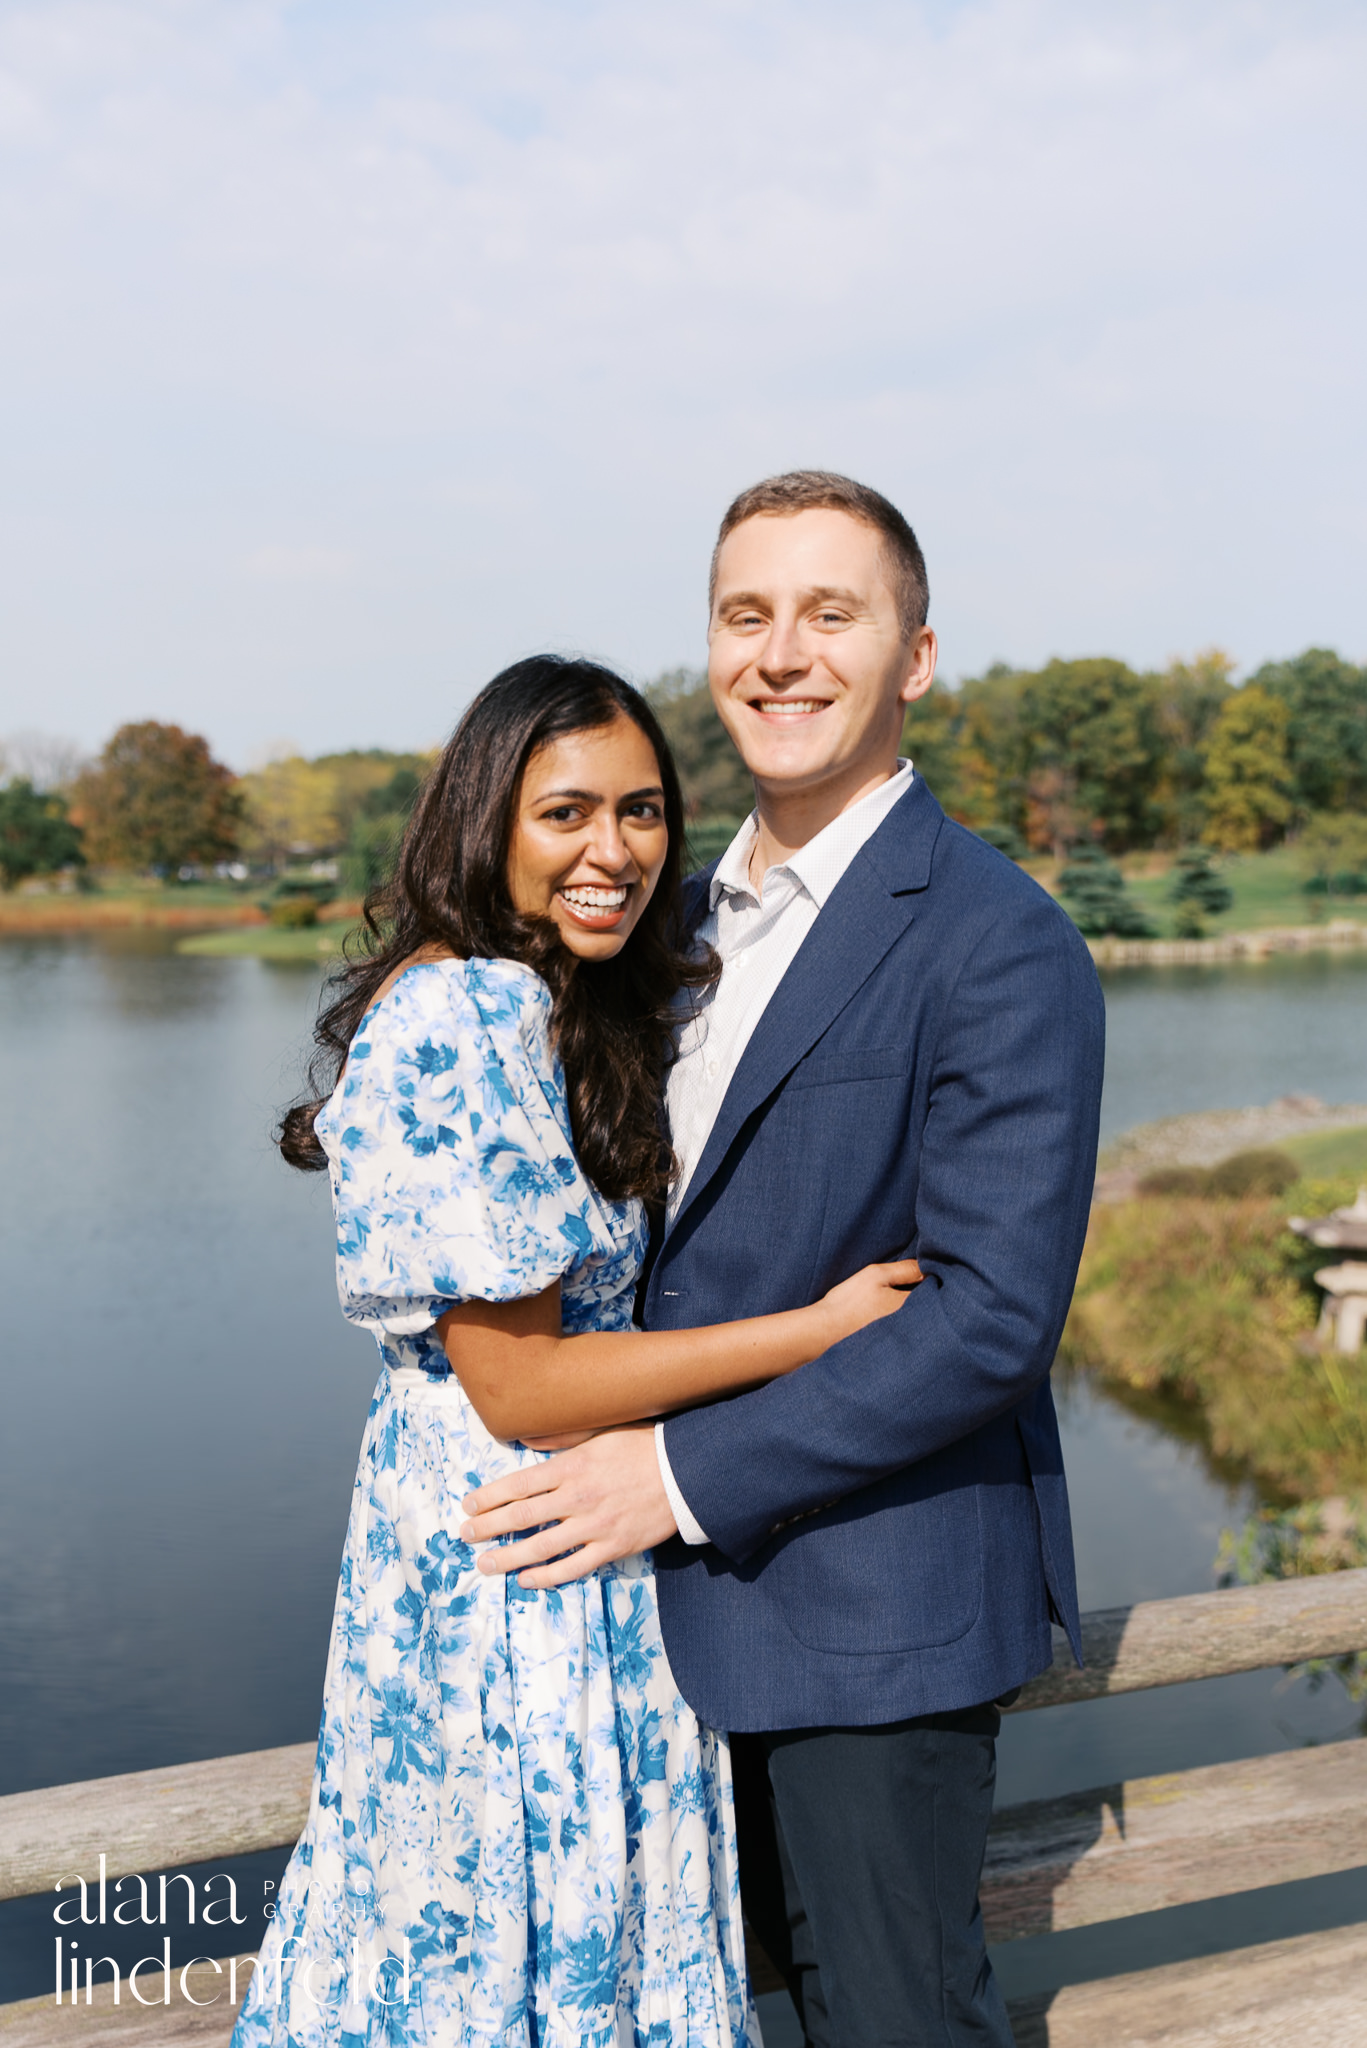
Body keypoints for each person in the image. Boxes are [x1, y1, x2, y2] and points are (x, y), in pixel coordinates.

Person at [460, 475, 1107, 2046]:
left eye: (833, 613)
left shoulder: (997, 937)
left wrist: (670, 1476)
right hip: (647, 1622)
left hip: (873, 1614)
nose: (782, 653)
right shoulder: (666, 923)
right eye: (747, 614)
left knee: (885, 2022)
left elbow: (988, 1320)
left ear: (918, 656)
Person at [230, 654, 921, 2048]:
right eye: (568, 814)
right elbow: (521, 1381)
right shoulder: (458, 1014)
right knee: (505, 1928)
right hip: (510, 1553)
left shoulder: (544, 1002)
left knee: (571, 1918)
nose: (614, 851)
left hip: (571, 1532)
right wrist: (816, 1328)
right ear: (487, 821)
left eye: (646, 811)